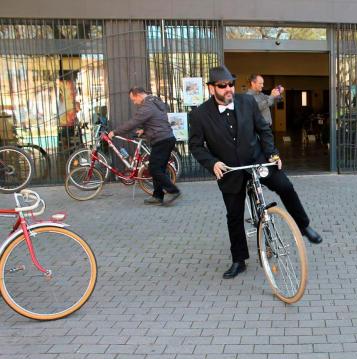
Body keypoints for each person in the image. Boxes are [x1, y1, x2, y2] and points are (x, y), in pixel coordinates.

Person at [188, 66, 322, 280]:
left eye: (230, 83)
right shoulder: (199, 115)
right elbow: (196, 146)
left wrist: (273, 154)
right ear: (212, 88)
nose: (228, 88)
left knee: (285, 186)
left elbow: (264, 130)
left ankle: (304, 226)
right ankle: (239, 260)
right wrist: (212, 163)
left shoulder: (247, 102)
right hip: (230, 170)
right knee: (234, 215)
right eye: (222, 86)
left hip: (257, 161)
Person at [108, 87, 181, 206]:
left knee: (154, 169)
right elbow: (157, 119)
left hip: (161, 140)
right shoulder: (155, 102)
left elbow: (133, 123)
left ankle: (173, 190)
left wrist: (114, 132)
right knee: (158, 169)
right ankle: (157, 196)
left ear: (138, 95)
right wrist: (145, 129)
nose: (134, 102)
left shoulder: (147, 106)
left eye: (133, 99)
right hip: (166, 138)